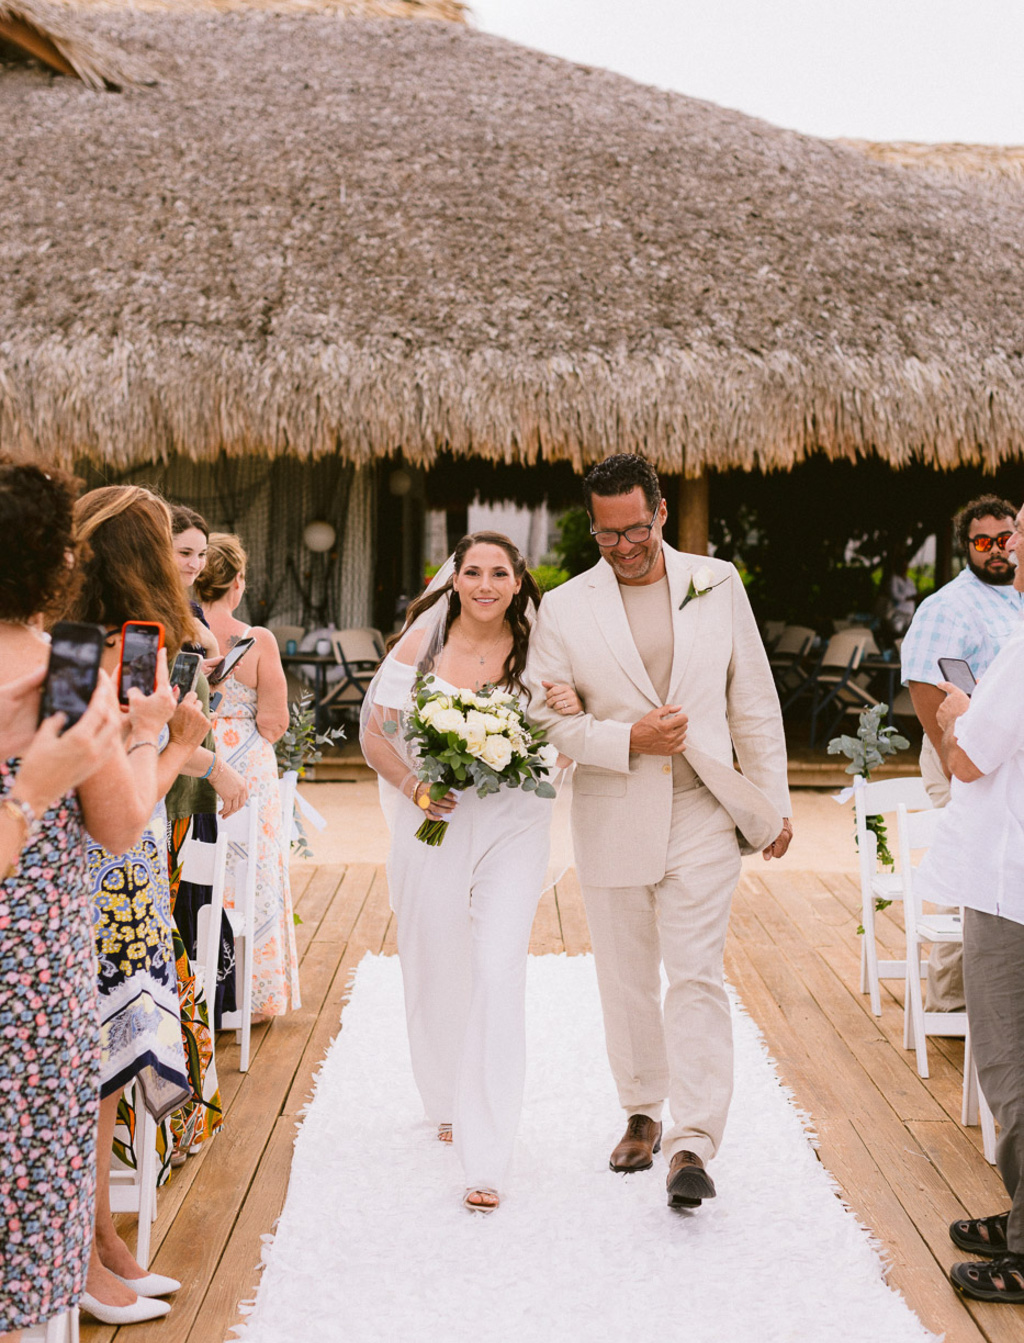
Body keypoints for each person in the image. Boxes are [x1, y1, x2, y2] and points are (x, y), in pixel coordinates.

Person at [528, 454, 791, 1210]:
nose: (622, 545)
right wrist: (625, 738)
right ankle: (641, 1108)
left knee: (697, 969)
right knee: (625, 970)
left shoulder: (718, 581)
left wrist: (772, 801)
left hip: (705, 807)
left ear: (662, 513)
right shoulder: (567, 607)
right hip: (613, 805)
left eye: (635, 529)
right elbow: (548, 716)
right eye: (607, 534)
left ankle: (692, 1141)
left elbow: (754, 700)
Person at [0, 461, 180, 1340]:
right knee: (30, 1177)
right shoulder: (68, 670)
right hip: (32, 976)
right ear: (51, 562)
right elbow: (117, 826)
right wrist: (149, 735)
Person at [360, 532, 578, 1212]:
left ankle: (486, 1155)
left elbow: (569, 733)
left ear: (519, 582)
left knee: (498, 967)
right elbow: (375, 731)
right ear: (454, 579)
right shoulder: (422, 647)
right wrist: (416, 788)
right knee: (433, 959)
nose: (485, 583)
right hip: (437, 822)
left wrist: (571, 710)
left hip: (514, 825)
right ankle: (445, 1092)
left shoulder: (543, 649)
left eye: (499, 573)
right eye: (473, 571)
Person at [69, 485, 211, 1325]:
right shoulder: (128, 650)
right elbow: (120, 801)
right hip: (111, 870)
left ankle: (105, 1242)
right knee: (99, 1068)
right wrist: (179, 741)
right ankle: (86, 1251)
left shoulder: (75, 640)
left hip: (111, 870)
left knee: (107, 1069)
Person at [915, 499, 1024, 1305]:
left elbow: (974, 761)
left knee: (1009, 1064)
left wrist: (958, 715)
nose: (1011, 542)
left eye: (1020, 529)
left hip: (1010, 880)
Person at [901, 494, 1024, 1013]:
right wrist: (955, 758)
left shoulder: (1015, 598)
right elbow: (926, 686)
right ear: (964, 547)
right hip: (960, 751)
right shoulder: (947, 606)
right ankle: (950, 1001)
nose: (999, 550)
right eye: (984, 542)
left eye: (1005, 537)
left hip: (1000, 756)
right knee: (968, 872)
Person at [165, 505, 247, 1160]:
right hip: (169, 797)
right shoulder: (150, 625)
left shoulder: (189, 618)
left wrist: (211, 656)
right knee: (178, 943)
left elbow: (204, 702)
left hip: (193, 795)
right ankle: (179, 1104)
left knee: (197, 930)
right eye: (180, 550)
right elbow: (160, 734)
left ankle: (192, 1099)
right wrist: (218, 767)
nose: (193, 563)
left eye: (199, 553)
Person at [197, 534, 301, 1019]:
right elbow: (274, 723)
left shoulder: (179, 631)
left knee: (197, 867)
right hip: (247, 767)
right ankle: (250, 1000)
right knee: (252, 873)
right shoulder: (257, 640)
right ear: (238, 582)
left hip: (194, 756)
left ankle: (196, 990)